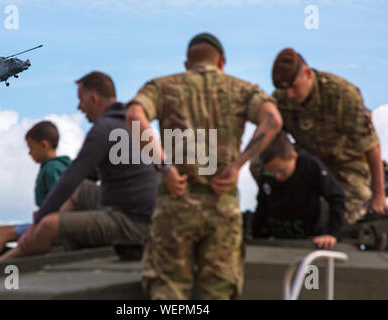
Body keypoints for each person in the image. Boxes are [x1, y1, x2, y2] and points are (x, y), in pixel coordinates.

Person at [126, 33, 283, 299]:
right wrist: (237, 166)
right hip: (221, 206)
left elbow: (134, 116)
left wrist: (166, 168)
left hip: (176, 204)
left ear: (187, 64)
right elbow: (273, 120)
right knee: (219, 291)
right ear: (222, 61)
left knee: (169, 293)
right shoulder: (244, 90)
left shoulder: (162, 87)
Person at [0, 71, 159, 262]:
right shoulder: (126, 124)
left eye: (81, 100)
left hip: (133, 223)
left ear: (94, 99)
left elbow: (70, 178)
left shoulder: (104, 129)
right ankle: (50, 235)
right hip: (144, 212)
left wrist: (40, 218)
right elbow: (83, 178)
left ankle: (6, 260)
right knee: (77, 191)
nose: (79, 107)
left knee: (48, 224)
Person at [252, 48, 387, 225]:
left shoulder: (342, 94)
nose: (290, 95)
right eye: (284, 90)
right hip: (308, 167)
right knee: (257, 164)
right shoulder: (281, 100)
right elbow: (271, 139)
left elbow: (371, 145)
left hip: (347, 167)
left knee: (339, 216)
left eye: (293, 87)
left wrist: (378, 195)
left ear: (307, 73)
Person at [0, 121, 71, 262]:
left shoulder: (52, 169)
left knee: (3, 234)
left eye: (31, 148)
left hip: (51, 225)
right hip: (49, 221)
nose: (29, 153)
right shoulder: (57, 166)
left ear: (44, 145)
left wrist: (43, 215)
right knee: (1, 230)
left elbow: (61, 199)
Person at [252, 132, 345, 249]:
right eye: (271, 172)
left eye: (281, 171)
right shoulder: (267, 172)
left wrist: (331, 234)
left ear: (293, 157)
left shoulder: (310, 166)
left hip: (310, 236)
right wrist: (257, 235)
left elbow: (336, 196)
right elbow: (262, 204)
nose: (277, 177)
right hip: (278, 236)